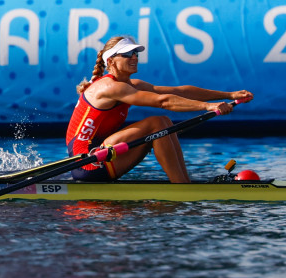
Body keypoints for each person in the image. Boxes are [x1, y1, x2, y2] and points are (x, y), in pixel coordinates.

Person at [65, 36, 253, 183]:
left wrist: (229, 95)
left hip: (105, 154)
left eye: (135, 53)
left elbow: (179, 91)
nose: (134, 57)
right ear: (111, 61)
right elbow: (163, 101)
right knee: (157, 123)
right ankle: (182, 188)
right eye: (127, 54)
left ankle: (183, 183)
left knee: (164, 123)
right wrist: (208, 107)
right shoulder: (110, 87)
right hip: (89, 163)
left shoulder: (130, 85)